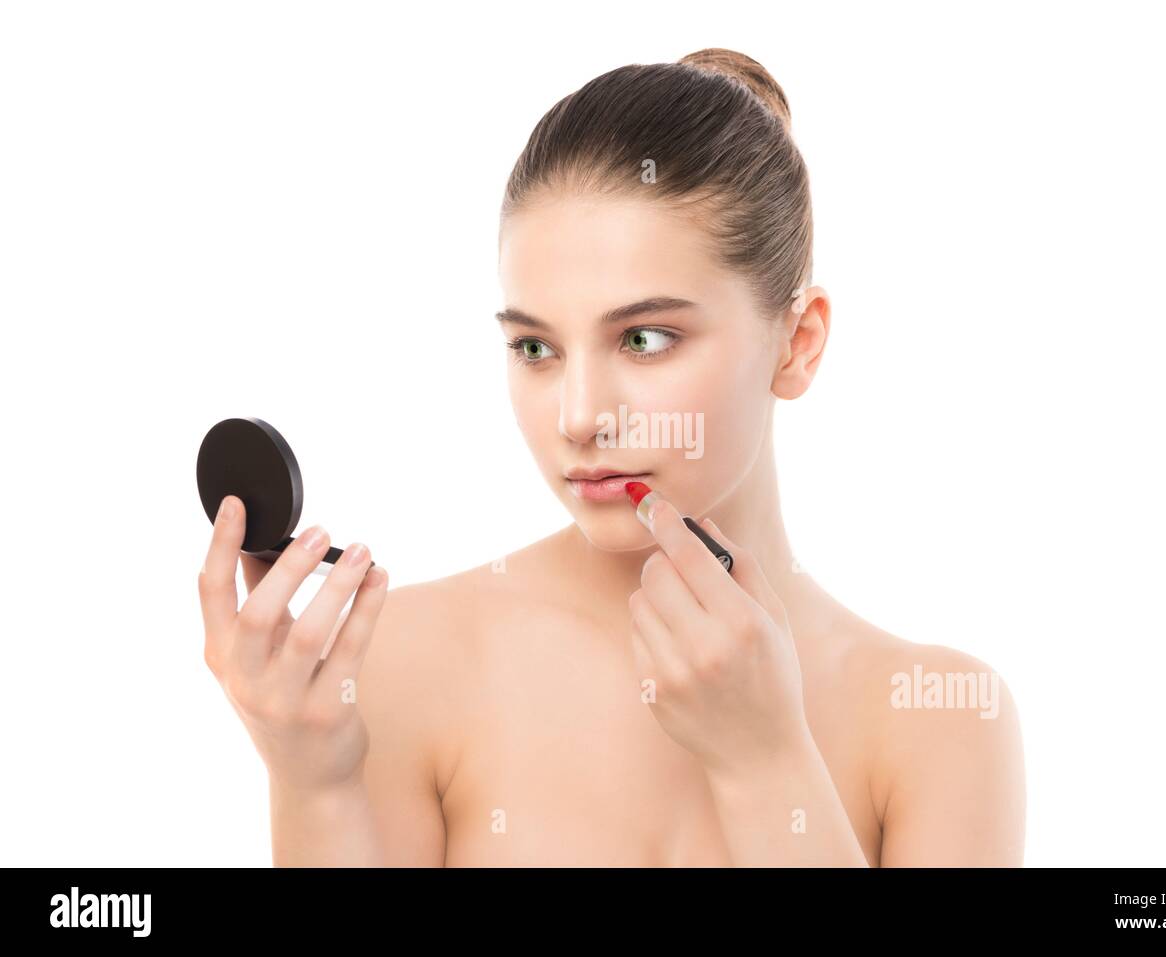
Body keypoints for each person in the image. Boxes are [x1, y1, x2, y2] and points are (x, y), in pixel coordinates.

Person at [198, 48, 1026, 867]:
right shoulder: (397, 665)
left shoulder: (942, 724)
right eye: (534, 347)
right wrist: (313, 784)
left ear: (798, 344)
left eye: (645, 338)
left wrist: (766, 763)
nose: (580, 416)